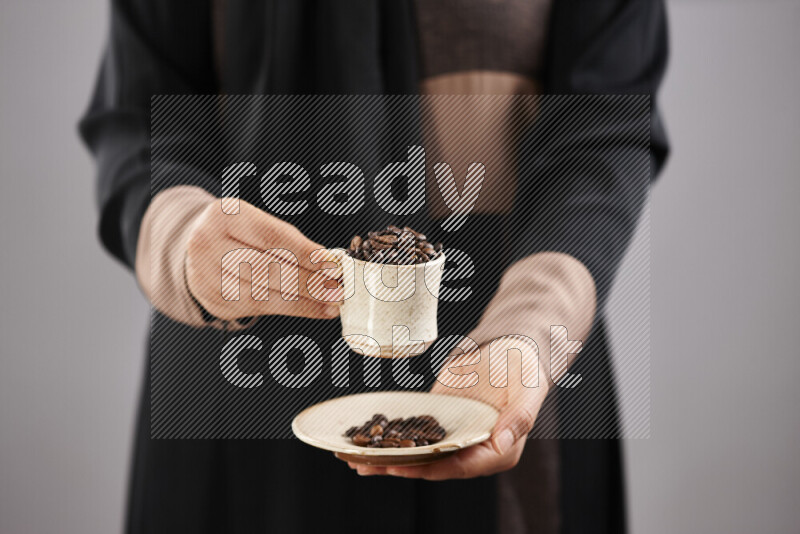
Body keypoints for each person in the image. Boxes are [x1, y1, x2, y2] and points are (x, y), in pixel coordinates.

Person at [79, 1, 669, 532]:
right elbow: (142, 109)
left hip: (512, 373)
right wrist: (183, 237)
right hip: (235, 376)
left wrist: (533, 325)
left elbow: (605, 122)